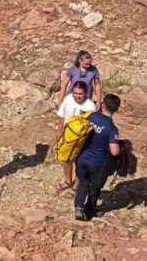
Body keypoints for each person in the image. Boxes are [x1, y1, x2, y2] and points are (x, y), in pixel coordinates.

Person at [74, 93, 121, 221]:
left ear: (103, 105)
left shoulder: (90, 115)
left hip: (81, 158)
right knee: (95, 186)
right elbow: (115, 151)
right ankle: (90, 209)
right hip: (97, 163)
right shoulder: (112, 129)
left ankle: (78, 207)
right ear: (116, 110)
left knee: (83, 182)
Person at [55, 81, 96, 191]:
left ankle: (76, 186)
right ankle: (68, 180)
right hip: (66, 136)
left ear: (86, 93)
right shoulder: (68, 99)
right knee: (65, 159)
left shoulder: (90, 106)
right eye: (76, 93)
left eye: (80, 93)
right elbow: (62, 115)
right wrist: (59, 130)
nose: (78, 96)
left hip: (81, 140)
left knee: (79, 162)